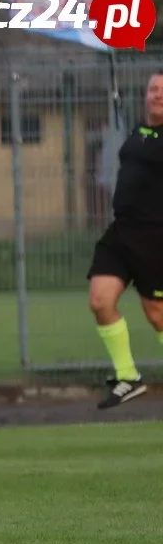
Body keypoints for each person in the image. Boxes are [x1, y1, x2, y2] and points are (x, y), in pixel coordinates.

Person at [87, 70, 163, 409]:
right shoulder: (137, 132)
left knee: (156, 314)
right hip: (121, 231)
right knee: (101, 301)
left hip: (155, 236)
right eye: (153, 89)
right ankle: (128, 377)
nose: (158, 95)